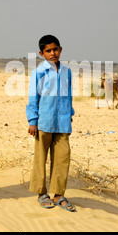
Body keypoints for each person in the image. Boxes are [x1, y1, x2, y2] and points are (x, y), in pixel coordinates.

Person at [26, 35, 76, 212]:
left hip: (62, 122)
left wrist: (69, 116)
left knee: (63, 158)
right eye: (48, 51)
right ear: (42, 53)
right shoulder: (39, 72)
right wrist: (32, 120)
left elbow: (68, 96)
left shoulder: (66, 71)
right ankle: (41, 193)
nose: (52, 53)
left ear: (60, 50)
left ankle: (59, 194)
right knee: (41, 158)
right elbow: (34, 97)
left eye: (55, 49)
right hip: (44, 122)